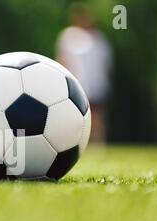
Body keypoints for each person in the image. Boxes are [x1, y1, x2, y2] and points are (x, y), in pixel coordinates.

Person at [56, 3, 112, 144]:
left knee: (96, 115)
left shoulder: (99, 39)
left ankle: (97, 143)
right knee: (74, 115)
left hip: (96, 84)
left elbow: (105, 62)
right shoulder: (69, 35)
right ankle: (73, 141)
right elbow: (63, 59)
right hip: (77, 83)